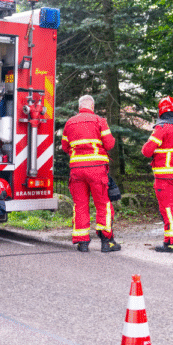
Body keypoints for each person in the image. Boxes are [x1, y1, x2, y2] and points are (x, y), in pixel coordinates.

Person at [61, 95, 121, 252]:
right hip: (97, 170)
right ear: (92, 107)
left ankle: (82, 242)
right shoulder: (100, 121)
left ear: (79, 106)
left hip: (77, 171)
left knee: (80, 204)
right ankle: (107, 242)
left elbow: (65, 147)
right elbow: (109, 144)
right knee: (103, 204)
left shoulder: (69, 123)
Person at [142, 96, 173, 253]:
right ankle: (170, 240)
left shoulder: (162, 128)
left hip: (164, 176)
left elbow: (147, 151)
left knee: (168, 209)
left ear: (161, 111)